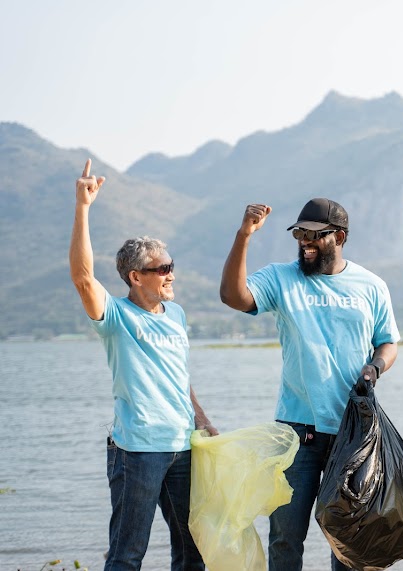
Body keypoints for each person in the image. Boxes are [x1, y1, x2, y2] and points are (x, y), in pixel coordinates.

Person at [219, 197, 400, 571]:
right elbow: (234, 297)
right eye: (300, 234)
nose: (305, 241)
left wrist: (376, 367)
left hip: (353, 432)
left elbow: (388, 342)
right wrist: (243, 237)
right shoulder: (281, 278)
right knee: (285, 536)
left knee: (348, 538)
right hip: (297, 432)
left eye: (314, 235)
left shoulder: (371, 285)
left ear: (340, 236)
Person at [69, 159, 216, 571]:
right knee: (128, 553)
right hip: (137, 450)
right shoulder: (115, 316)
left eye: (172, 266)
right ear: (136, 277)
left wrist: (201, 419)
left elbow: (179, 376)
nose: (171, 274)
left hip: (182, 445)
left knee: (193, 551)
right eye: (162, 268)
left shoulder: (177, 314)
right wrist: (82, 208)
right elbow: (83, 278)